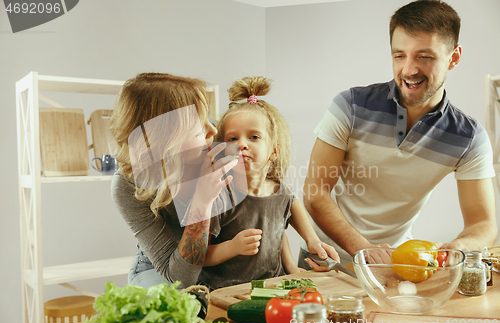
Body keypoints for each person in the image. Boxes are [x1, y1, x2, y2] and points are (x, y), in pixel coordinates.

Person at [300, 0, 497, 266]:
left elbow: (483, 223)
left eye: (424, 56)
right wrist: (362, 248)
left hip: (394, 264)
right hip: (324, 258)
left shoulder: (469, 138)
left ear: (454, 57)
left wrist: (458, 246)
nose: (408, 70)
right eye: (399, 55)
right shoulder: (350, 106)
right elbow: (315, 193)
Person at [198, 76, 340, 290]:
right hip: (226, 289)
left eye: (254, 137)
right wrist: (232, 247)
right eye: (232, 139)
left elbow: (279, 225)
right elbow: (200, 256)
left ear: (274, 151)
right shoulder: (220, 195)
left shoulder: (279, 192)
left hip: (272, 286)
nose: (242, 144)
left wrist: (307, 246)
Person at [109, 73, 239, 289]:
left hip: (217, 259)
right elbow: (180, 279)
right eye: (199, 129)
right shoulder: (128, 185)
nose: (214, 131)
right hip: (162, 270)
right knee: (179, 301)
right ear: (166, 140)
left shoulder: (215, 145)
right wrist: (202, 201)